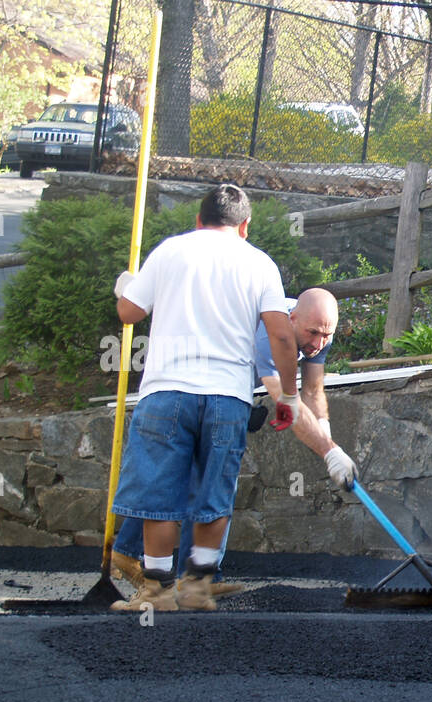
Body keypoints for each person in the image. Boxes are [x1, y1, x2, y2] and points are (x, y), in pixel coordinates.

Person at [108, 183, 302, 613]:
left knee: (159, 496)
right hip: (227, 397)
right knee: (215, 492)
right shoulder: (259, 264)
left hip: (166, 391)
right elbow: (282, 335)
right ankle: (196, 586)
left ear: (198, 219)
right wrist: (288, 394)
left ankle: (156, 592)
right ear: (244, 226)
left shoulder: (170, 251)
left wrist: (127, 284)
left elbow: (129, 313)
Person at [110, 287, 357, 594]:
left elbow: (313, 390)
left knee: (204, 480)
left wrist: (325, 433)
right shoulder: (270, 331)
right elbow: (285, 398)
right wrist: (328, 452)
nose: (319, 343)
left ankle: (188, 574)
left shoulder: (317, 331)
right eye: (313, 333)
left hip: (230, 389)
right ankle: (161, 566)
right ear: (292, 319)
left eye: (326, 334)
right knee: (191, 477)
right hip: (195, 385)